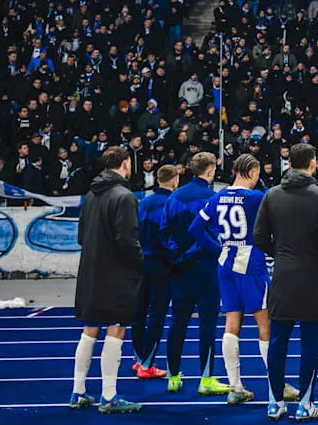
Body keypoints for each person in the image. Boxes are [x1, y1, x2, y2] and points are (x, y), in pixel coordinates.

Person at [189, 154, 298, 405]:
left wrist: (218, 248)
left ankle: (235, 386)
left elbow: (195, 228)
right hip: (251, 264)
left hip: (225, 264)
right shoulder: (257, 198)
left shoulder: (217, 197)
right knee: (265, 324)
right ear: (251, 172)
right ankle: (277, 385)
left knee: (231, 323)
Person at [253, 143, 318, 421]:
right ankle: (304, 404)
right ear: (312, 163)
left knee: (277, 340)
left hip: (282, 275)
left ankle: (274, 402)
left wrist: (279, 253)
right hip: (313, 276)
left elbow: (258, 237)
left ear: (289, 163)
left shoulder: (271, 195)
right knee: (310, 343)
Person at [70, 146, 144, 413]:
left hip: (90, 270)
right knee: (117, 328)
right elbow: (127, 240)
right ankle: (109, 395)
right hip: (116, 273)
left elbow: (81, 236)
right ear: (125, 164)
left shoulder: (91, 194)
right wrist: (140, 264)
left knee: (90, 330)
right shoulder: (124, 196)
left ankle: (78, 391)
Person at [160, 151, 230, 395]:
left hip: (180, 270)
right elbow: (217, 234)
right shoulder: (214, 198)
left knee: (177, 323)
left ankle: (173, 376)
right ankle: (206, 379)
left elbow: (164, 233)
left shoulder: (174, 197)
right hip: (207, 268)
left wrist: (179, 256)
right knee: (207, 324)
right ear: (210, 171)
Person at [131, 163, 176, 379]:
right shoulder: (171, 203)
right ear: (175, 180)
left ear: (158, 179)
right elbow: (168, 236)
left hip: (141, 261)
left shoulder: (143, 202)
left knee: (139, 312)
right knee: (157, 315)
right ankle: (147, 364)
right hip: (161, 263)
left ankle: (139, 358)